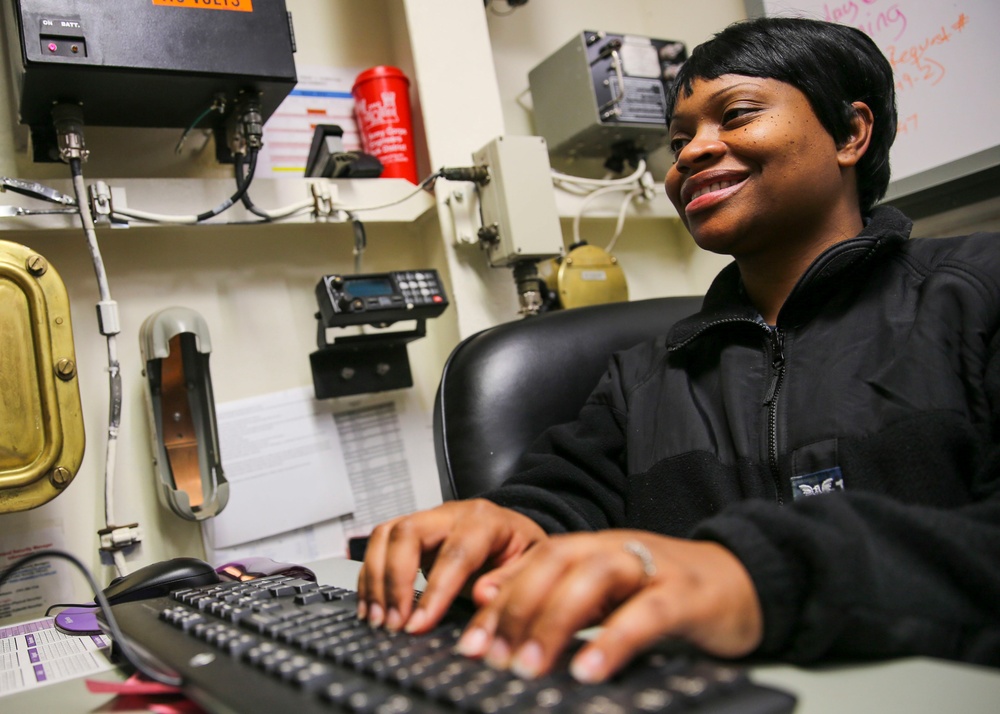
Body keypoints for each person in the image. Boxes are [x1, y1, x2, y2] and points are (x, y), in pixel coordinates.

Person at [359, 16, 1000, 683]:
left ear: (850, 133)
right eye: (679, 137)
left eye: (738, 115)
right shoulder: (645, 374)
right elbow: (564, 502)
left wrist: (759, 573)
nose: (692, 152)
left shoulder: (979, 293)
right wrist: (515, 526)